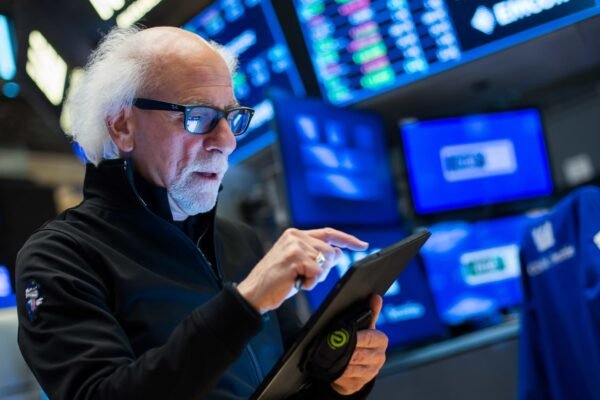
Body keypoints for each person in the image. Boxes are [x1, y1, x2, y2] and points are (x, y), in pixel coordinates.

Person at [15, 26, 388, 400]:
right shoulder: (59, 258)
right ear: (122, 126)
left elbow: (291, 386)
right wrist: (246, 303)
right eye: (198, 115)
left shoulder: (239, 240)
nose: (227, 141)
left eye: (230, 117)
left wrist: (340, 379)